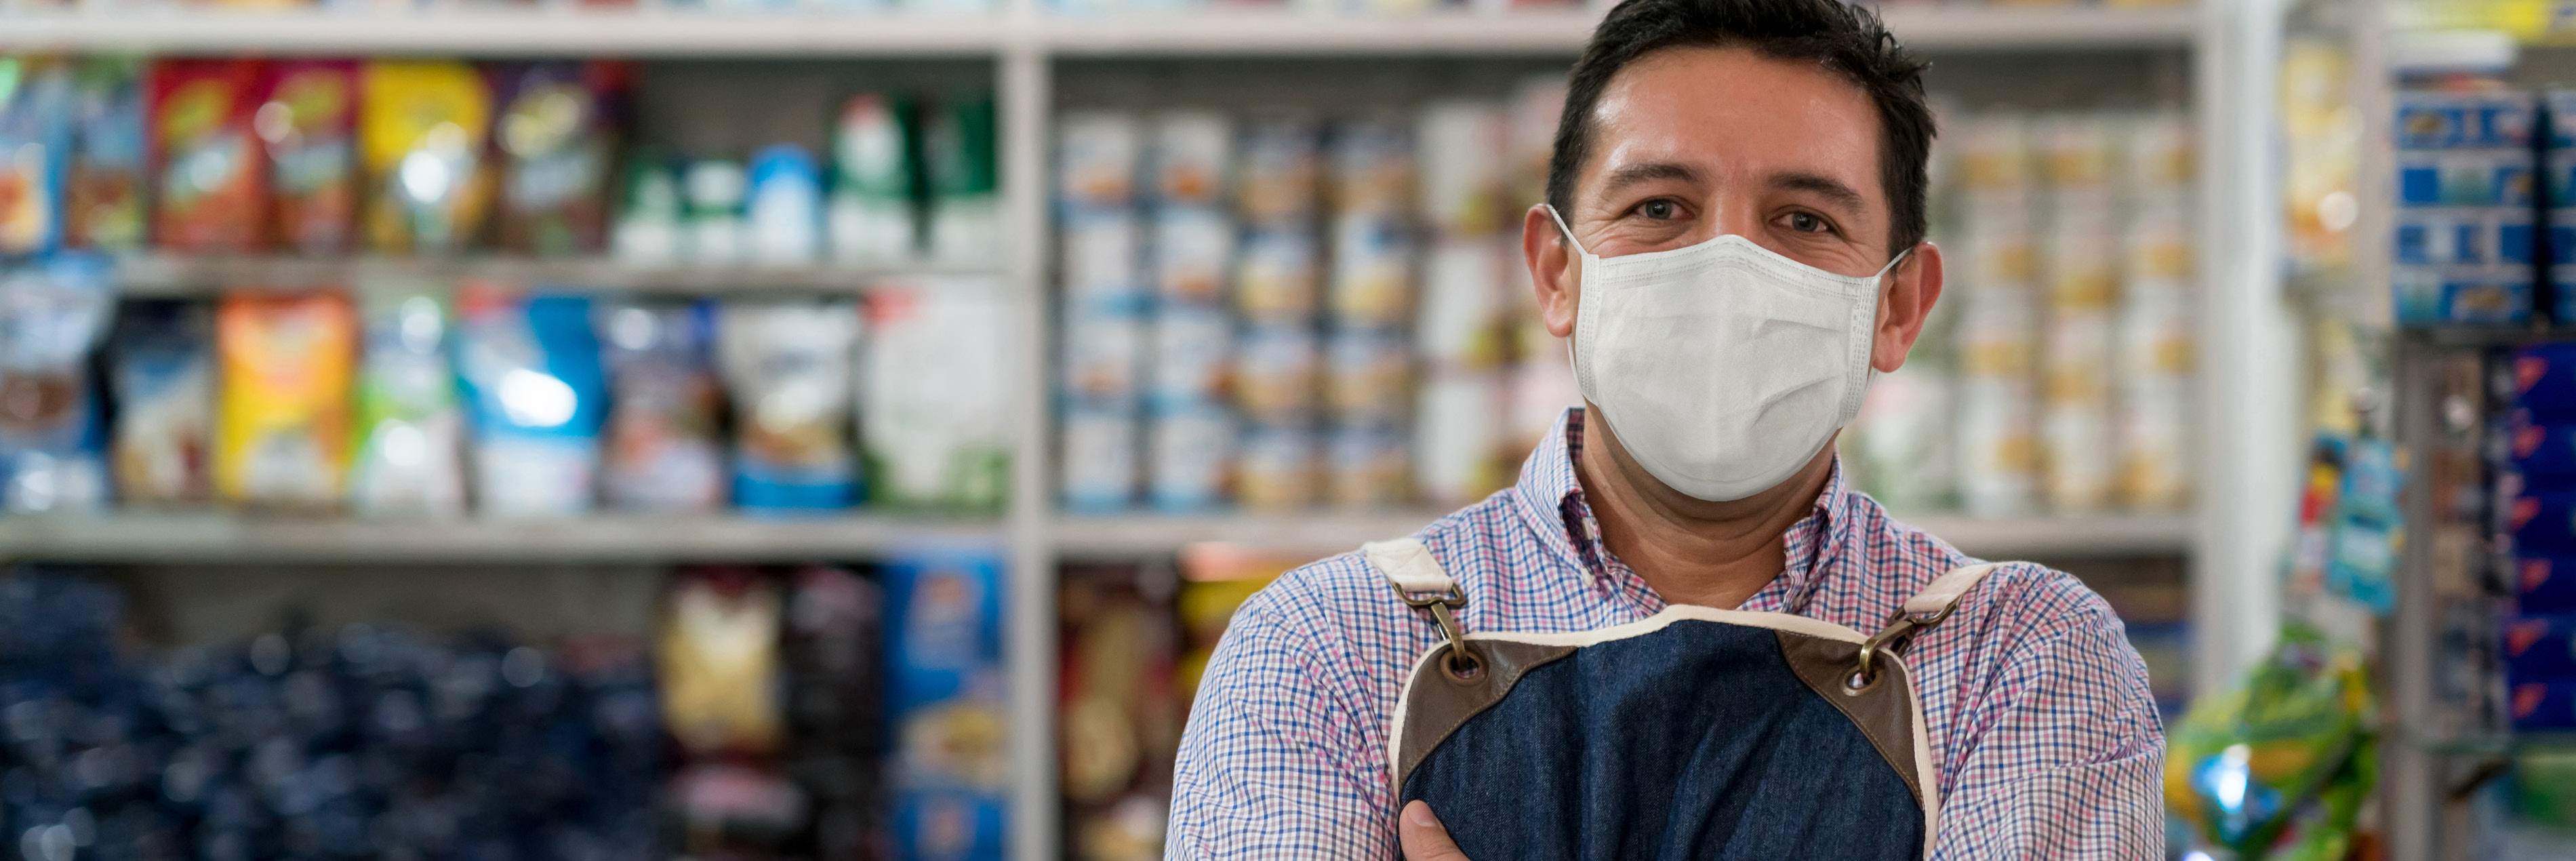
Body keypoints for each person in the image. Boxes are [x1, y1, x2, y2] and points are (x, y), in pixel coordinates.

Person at [1162, 0, 2165, 857]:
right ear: (1558, 273)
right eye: (1658, 207)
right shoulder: (1325, 649)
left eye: (1803, 220)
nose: (1726, 265)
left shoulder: (2022, 655)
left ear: (1897, 305)